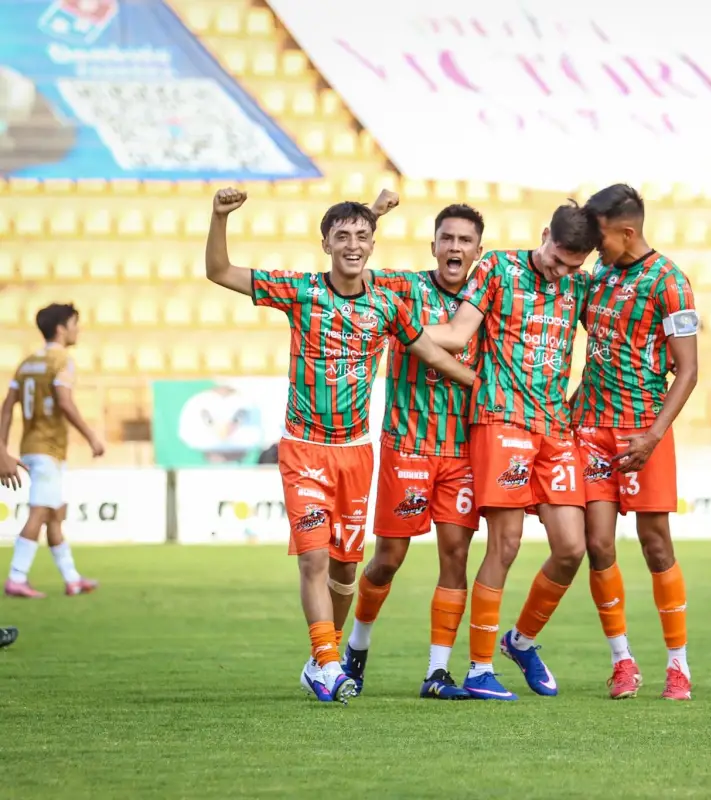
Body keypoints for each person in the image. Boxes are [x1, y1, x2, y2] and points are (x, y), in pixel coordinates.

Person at [204, 187, 476, 704]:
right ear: (325, 243)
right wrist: (219, 218)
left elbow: (433, 355)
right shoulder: (301, 291)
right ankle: (329, 665)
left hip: (356, 452)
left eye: (361, 235)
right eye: (342, 235)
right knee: (313, 559)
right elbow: (220, 271)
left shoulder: (388, 304)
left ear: (373, 243)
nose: (353, 243)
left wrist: (486, 388)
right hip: (303, 448)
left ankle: (320, 658)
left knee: (346, 569)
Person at [424, 201, 601, 700]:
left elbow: (610, 343)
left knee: (572, 549)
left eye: (573, 265)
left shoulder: (580, 285)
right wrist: (397, 329)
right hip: (502, 417)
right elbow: (459, 334)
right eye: (556, 258)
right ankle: (480, 668)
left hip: (555, 426)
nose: (562, 271)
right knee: (505, 544)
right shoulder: (498, 267)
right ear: (544, 234)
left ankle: (520, 642)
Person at [341, 194, 486, 700]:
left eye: (464, 240)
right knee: (388, 559)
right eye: (446, 238)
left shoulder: (489, 299)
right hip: (407, 445)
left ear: (478, 251)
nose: (454, 247)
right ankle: (356, 647)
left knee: (455, 557)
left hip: (463, 449)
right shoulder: (403, 286)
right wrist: (373, 218)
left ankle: (437, 673)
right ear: (433, 245)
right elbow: (353, 267)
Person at [574, 184, 700, 701]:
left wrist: (653, 435)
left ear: (627, 231)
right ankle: (622, 660)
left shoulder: (670, 282)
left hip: (642, 429)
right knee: (598, 545)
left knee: (655, 544)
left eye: (597, 234)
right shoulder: (599, 274)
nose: (591, 245)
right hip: (591, 428)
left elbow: (688, 371)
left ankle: (678, 664)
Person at [2, 303, 103, 599]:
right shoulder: (63, 361)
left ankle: (71, 578)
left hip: (34, 445)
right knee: (41, 511)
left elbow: (7, 407)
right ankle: (17, 577)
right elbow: (64, 401)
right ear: (61, 328)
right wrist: (91, 436)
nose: (77, 329)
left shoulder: (28, 362)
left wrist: (2, 446)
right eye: (74, 323)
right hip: (47, 447)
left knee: (55, 513)